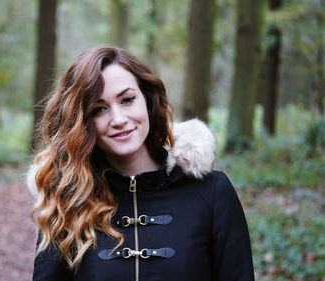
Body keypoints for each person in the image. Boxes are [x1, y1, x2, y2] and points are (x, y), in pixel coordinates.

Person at [27, 46, 254, 281]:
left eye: (127, 100)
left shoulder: (212, 192)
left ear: (147, 99)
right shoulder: (67, 201)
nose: (118, 119)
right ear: (81, 121)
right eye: (99, 109)